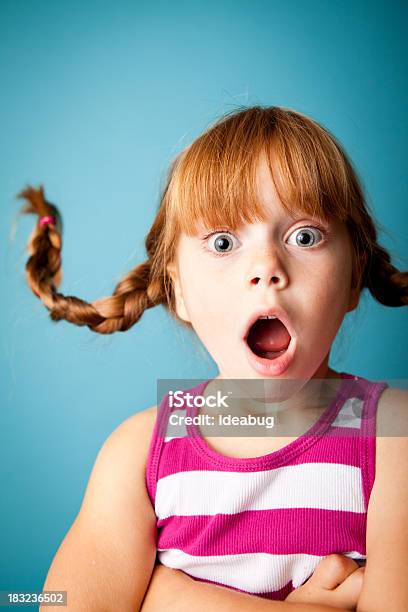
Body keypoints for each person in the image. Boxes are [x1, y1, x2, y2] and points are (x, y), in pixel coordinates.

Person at [17, 106, 407, 611]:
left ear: (354, 276)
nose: (267, 268)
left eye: (304, 236)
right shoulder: (139, 454)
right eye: (223, 242)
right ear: (176, 289)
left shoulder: (393, 436)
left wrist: (166, 597)